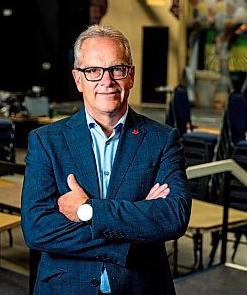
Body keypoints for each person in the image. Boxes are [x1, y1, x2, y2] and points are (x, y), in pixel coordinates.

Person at [21, 25, 192, 295]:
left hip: (141, 286)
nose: (106, 81)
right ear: (78, 79)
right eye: (93, 71)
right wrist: (136, 223)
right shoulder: (46, 141)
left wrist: (87, 210)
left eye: (117, 69)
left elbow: (173, 217)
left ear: (131, 76)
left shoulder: (163, 139)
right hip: (66, 286)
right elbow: (38, 230)